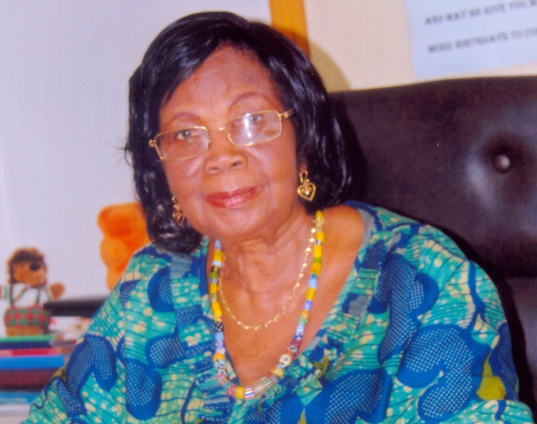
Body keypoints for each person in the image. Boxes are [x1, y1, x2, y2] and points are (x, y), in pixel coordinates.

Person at [25, 11, 533, 424]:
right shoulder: (150, 287)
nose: (222, 157)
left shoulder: (425, 280)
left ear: (303, 138)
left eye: (251, 121)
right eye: (186, 134)